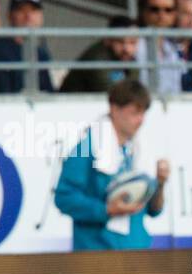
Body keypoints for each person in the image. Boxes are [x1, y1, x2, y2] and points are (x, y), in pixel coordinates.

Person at [54, 79, 170, 251]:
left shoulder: (140, 149)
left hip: (137, 250)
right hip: (97, 254)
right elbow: (64, 198)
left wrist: (160, 183)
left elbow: (154, 210)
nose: (141, 120)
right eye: (134, 113)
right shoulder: (86, 147)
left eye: (143, 113)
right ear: (114, 109)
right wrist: (106, 210)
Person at [0, 0, 55, 93]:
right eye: (21, 10)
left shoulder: (42, 54)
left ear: (41, 17)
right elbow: (0, 99)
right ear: (10, 16)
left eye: (33, 10)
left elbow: (50, 94)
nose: (28, 16)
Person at [61, 14, 140, 93]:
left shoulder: (129, 58)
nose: (126, 49)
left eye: (132, 42)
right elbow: (114, 96)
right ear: (107, 40)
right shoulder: (96, 59)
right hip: (70, 103)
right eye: (120, 42)